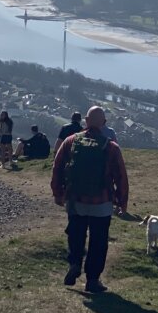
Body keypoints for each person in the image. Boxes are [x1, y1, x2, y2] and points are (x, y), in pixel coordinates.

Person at [50, 106, 128, 294]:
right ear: (104, 123)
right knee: (98, 241)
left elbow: (57, 167)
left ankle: (75, 263)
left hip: (76, 199)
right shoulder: (111, 147)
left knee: (76, 235)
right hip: (102, 202)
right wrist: (121, 202)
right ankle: (92, 280)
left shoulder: (70, 141)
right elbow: (121, 177)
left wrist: (58, 193)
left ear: (85, 121)